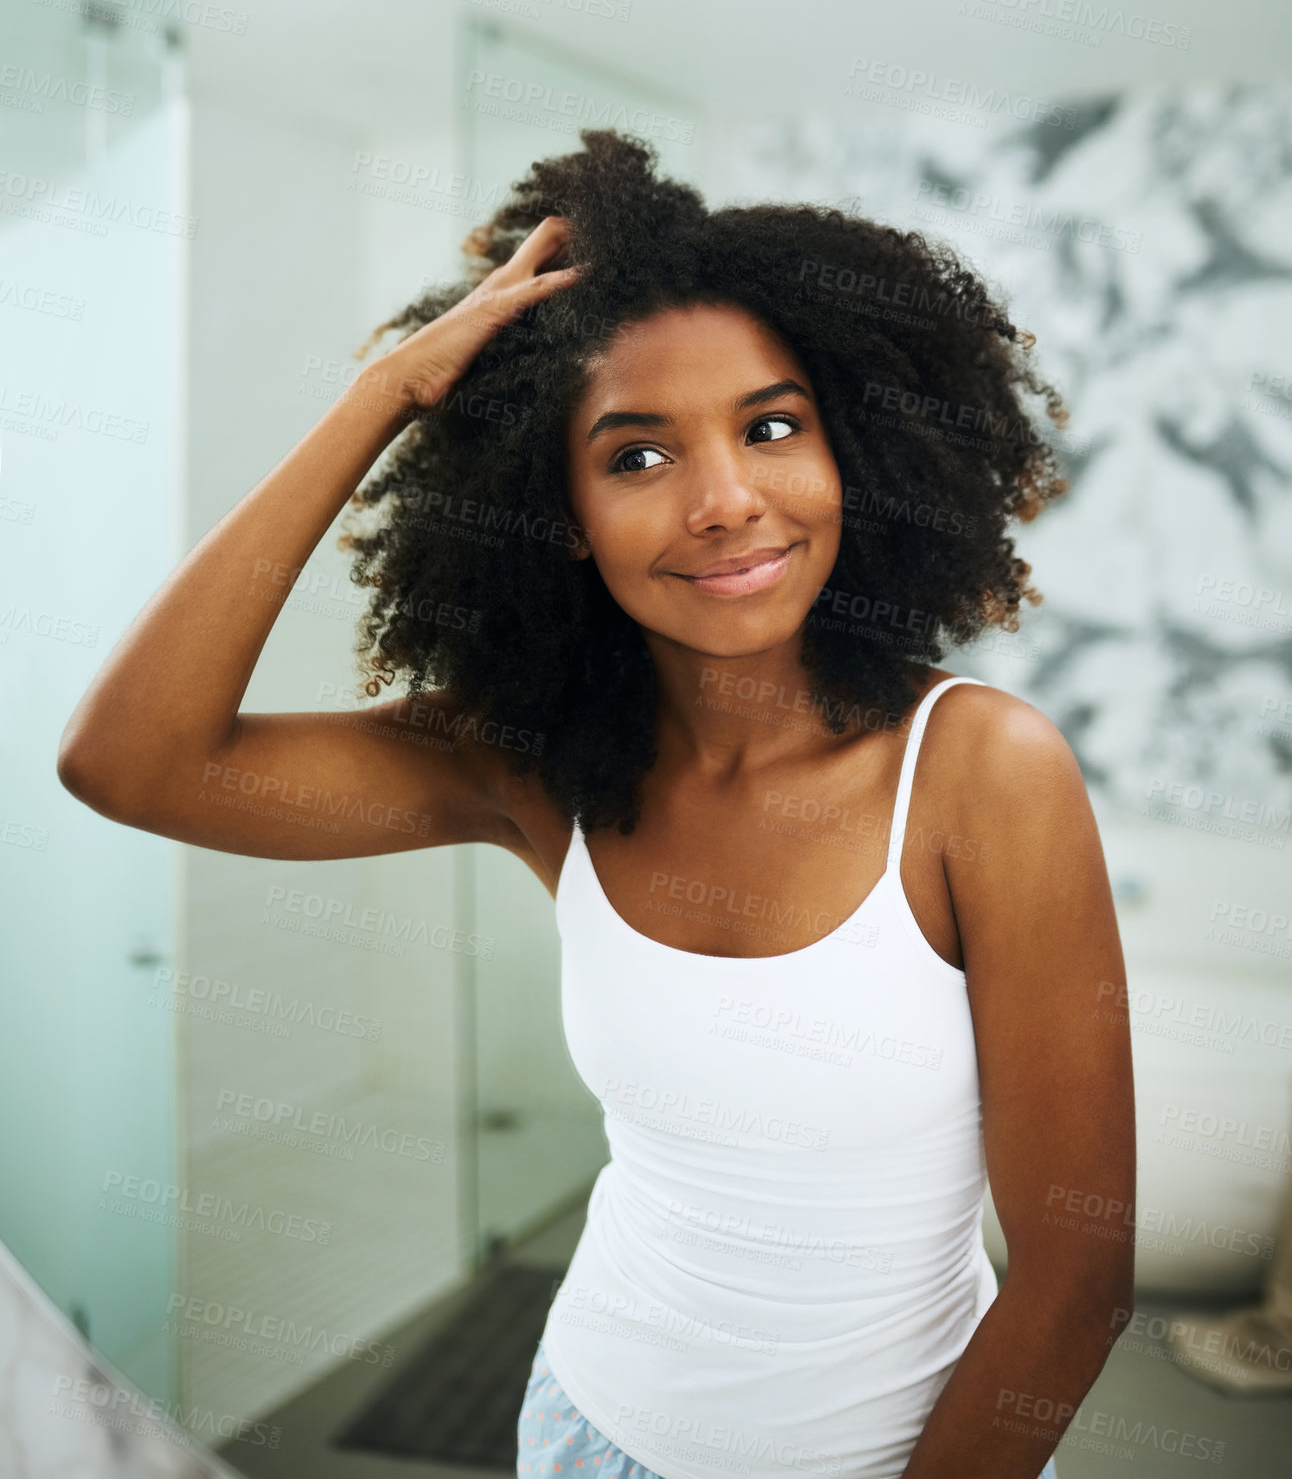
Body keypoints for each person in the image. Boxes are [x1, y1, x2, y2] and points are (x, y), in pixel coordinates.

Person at [57, 129, 1135, 1479]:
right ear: (558, 510)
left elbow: (1077, 1279)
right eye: (636, 457)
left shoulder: (980, 769)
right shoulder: (538, 766)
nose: (727, 500)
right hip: (583, 1426)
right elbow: (133, 761)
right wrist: (386, 394)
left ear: (850, 453)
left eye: (772, 426)